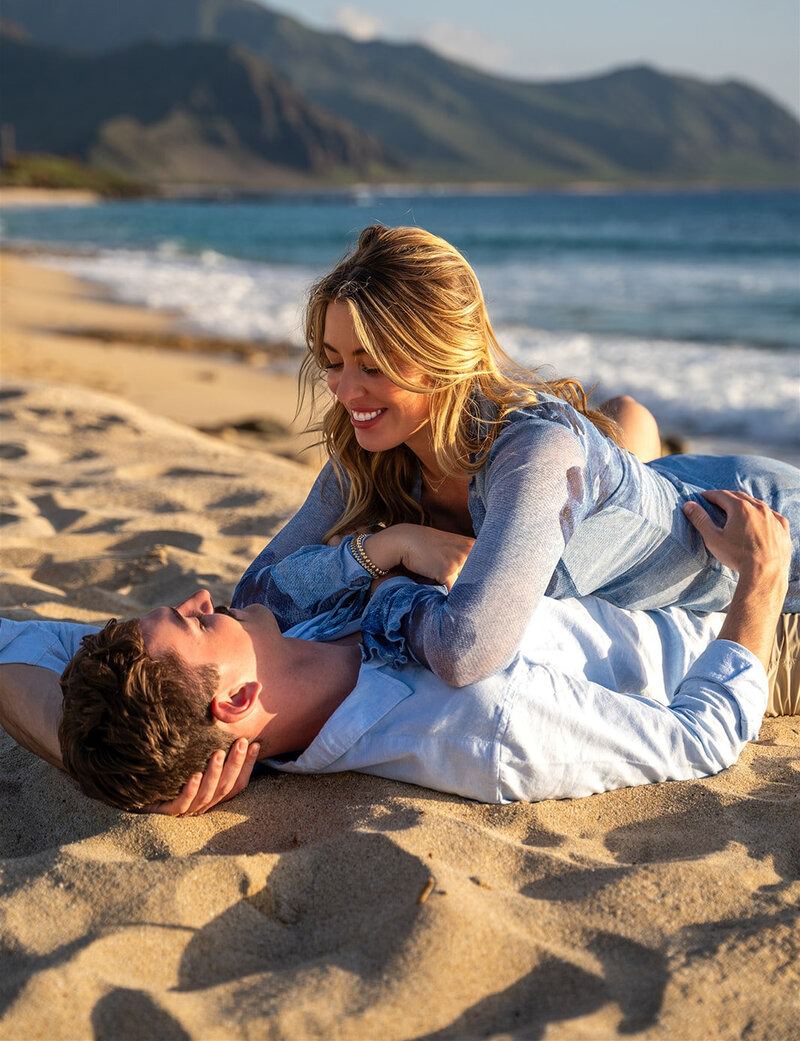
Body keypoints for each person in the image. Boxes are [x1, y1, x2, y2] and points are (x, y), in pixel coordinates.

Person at [230, 224, 800, 692]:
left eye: (372, 365)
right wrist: (387, 546)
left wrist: (383, 589)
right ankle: (625, 448)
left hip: (765, 528)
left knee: (596, 454)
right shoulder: (375, 455)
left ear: (443, 356)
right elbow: (253, 601)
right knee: (616, 450)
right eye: (333, 361)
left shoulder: (530, 452)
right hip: (645, 504)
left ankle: (624, 448)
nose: (345, 390)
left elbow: (466, 652)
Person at [0, 491, 796, 814]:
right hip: (737, 627)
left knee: (622, 419)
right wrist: (760, 578)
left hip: (619, 558)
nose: (205, 596)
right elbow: (699, 740)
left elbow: (11, 651)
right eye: (197, 621)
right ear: (235, 702)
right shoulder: (473, 721)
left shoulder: (287, 638)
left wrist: (103, 767)